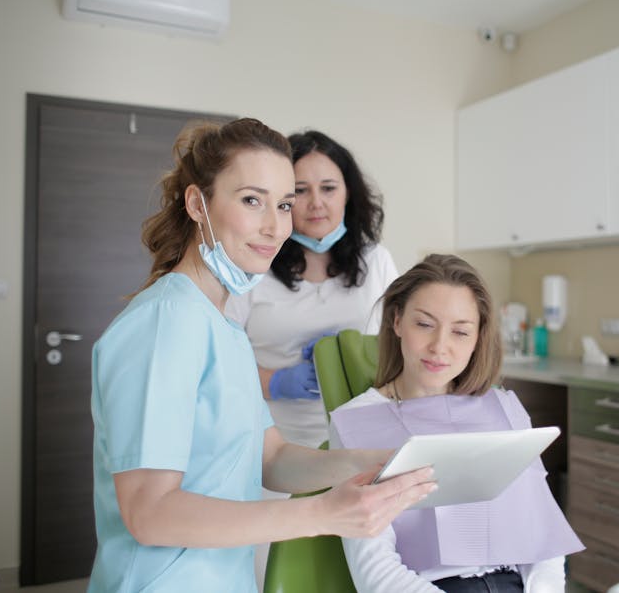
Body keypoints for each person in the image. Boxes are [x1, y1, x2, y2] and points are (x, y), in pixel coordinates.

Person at [88, 118, 435, 593]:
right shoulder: (166, 322)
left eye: (283, 204)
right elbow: (150, 514)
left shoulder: (222, 321)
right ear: (197, 203)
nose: (276, 226)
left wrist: (375, 464)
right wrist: (320, 513)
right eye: (252, 200)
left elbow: (269, 457)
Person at [329, 254, 584, 593]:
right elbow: (375, 572)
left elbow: (542, 539)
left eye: (461, 331)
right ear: (397, 321)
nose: (440, 347)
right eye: (424, 324)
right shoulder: (357, 423)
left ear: (478, 338)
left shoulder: (502, 408)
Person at [225, 129, 398, 449]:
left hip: (360, 440)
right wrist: (275, 382)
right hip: (269, 444)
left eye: (329, 188)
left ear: (348, 193)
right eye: (300, 190)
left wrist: (358, 353)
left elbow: (401, 347)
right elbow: (219, 363)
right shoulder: (252, 266)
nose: (316, 203)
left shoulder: (377, 262)